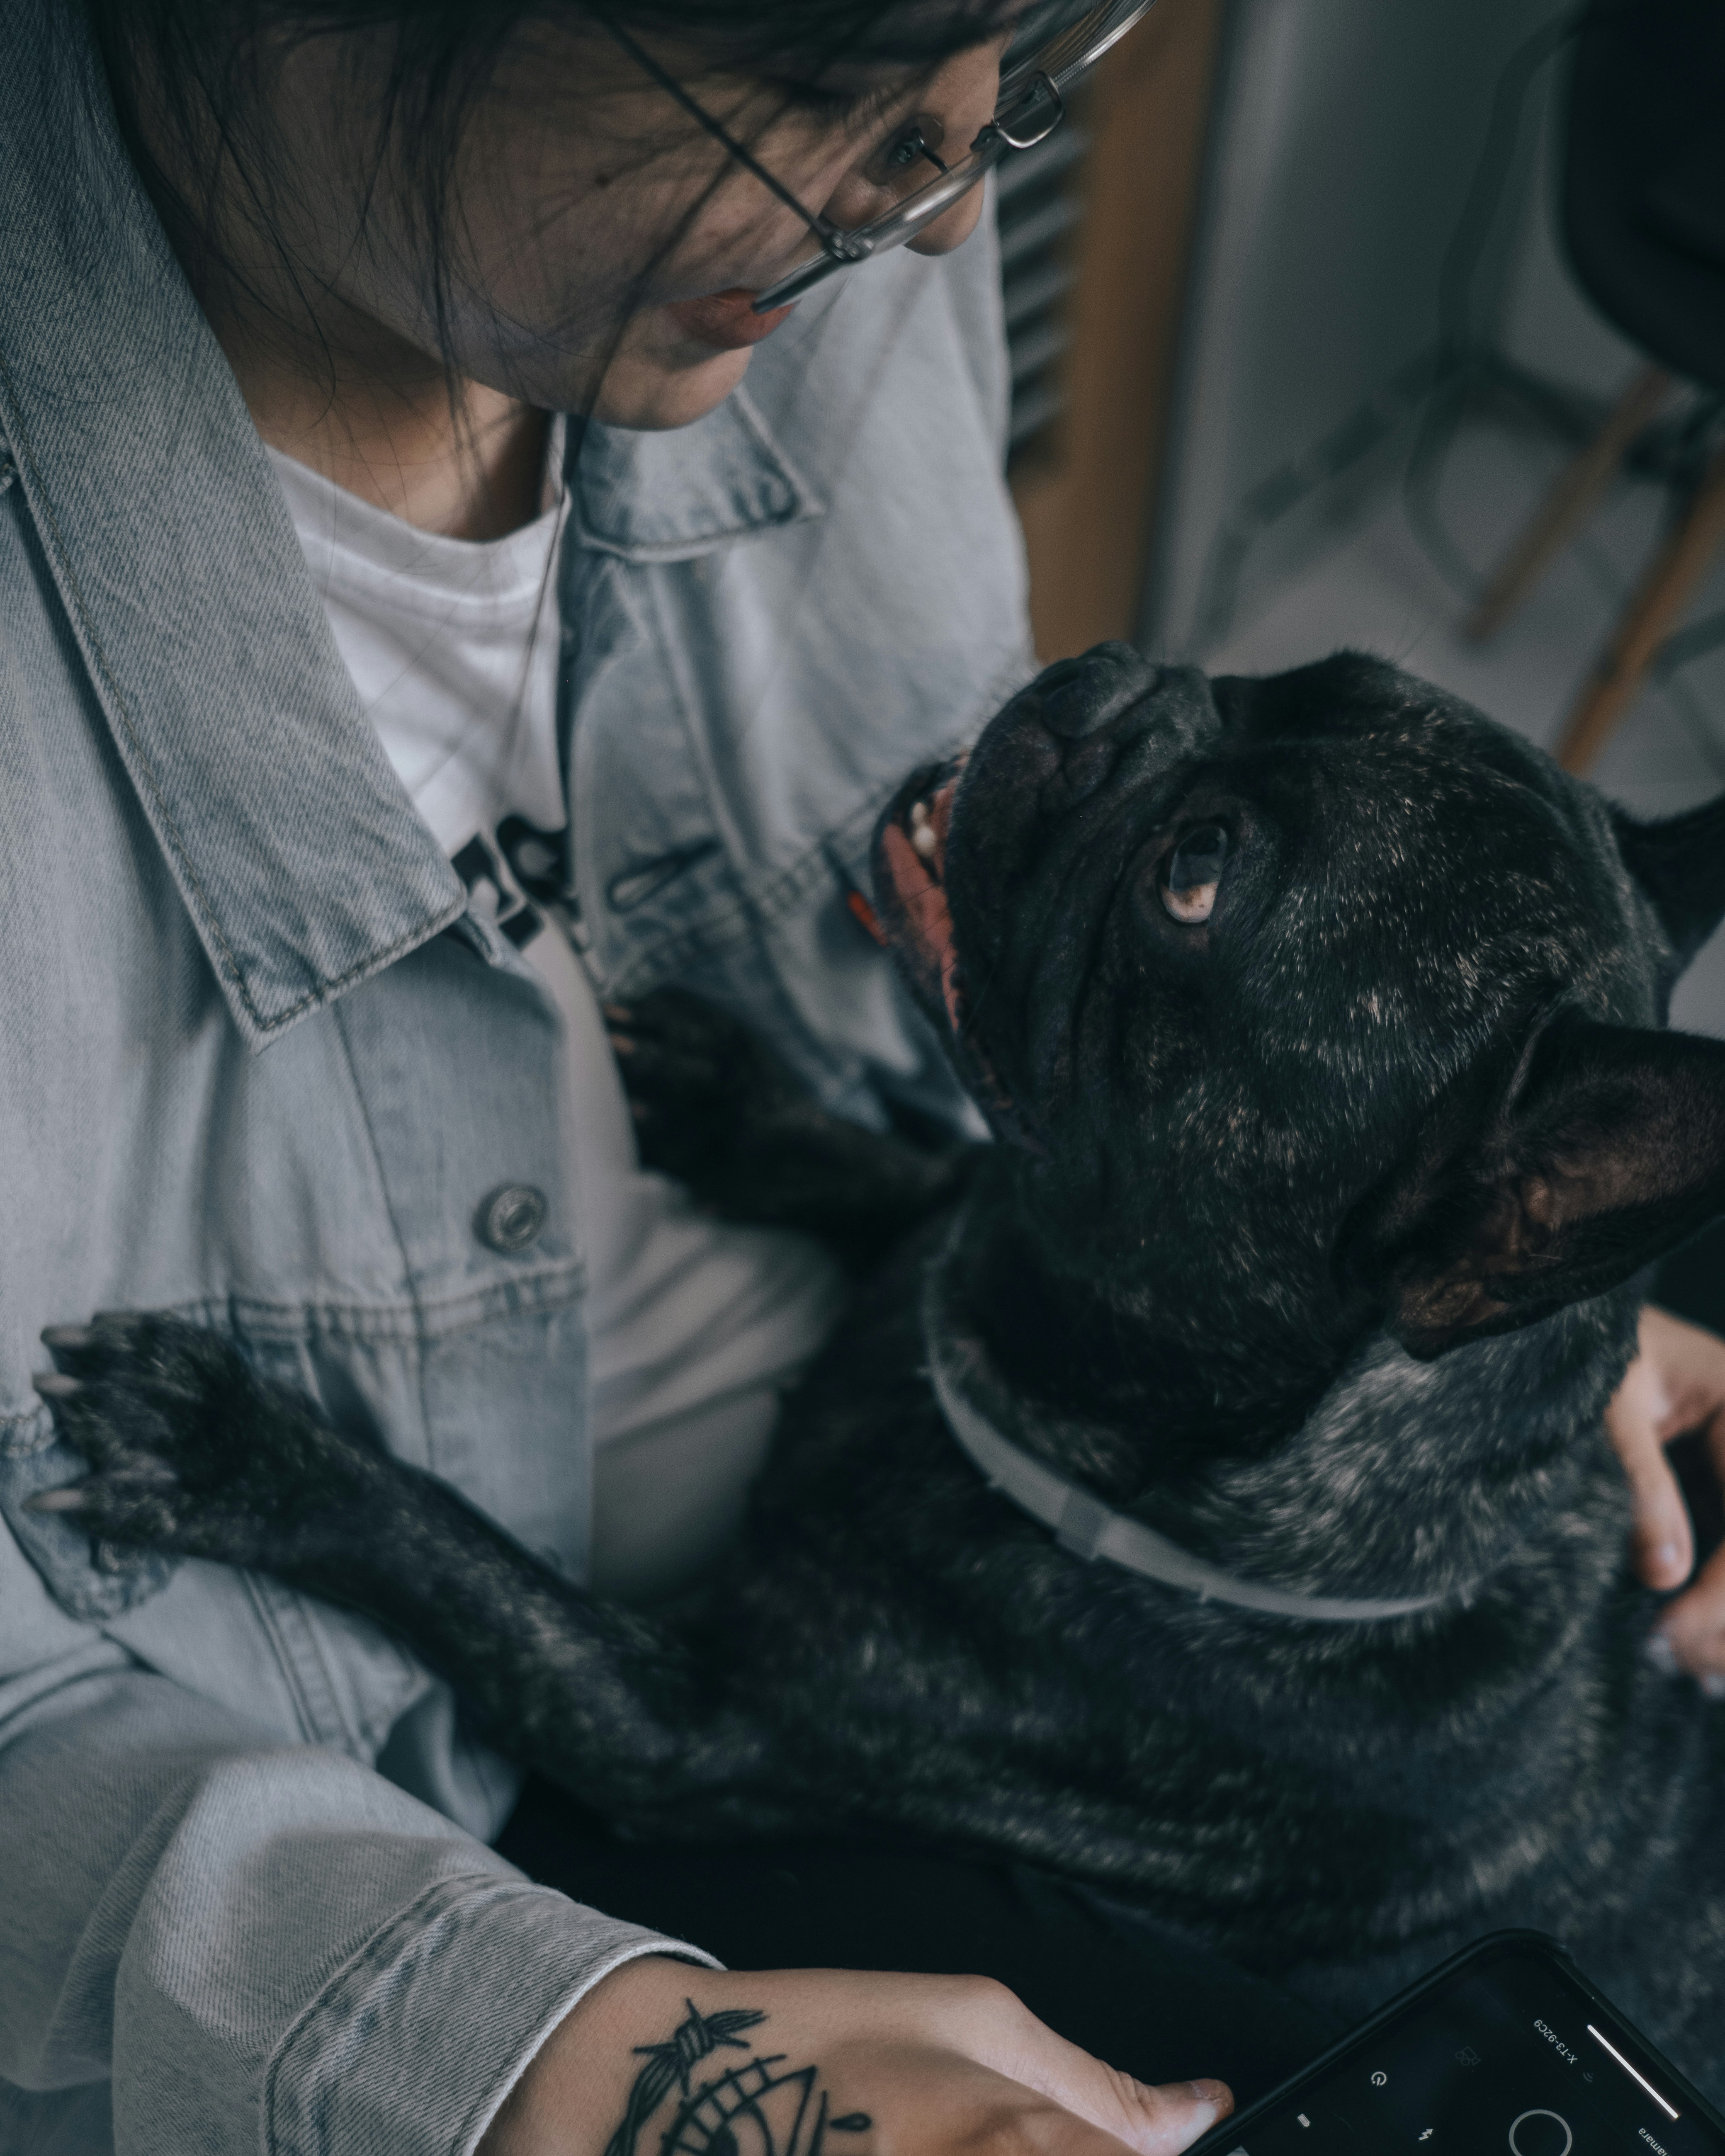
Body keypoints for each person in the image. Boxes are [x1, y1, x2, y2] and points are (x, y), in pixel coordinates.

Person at [2, 2, 1723, 2151]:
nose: (939, 198)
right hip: (428, 1851)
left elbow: (1118, 1123)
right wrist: (536, 2055)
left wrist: (1516, 1343)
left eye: (1037, 55)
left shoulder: (816, 240)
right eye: (840, 86)